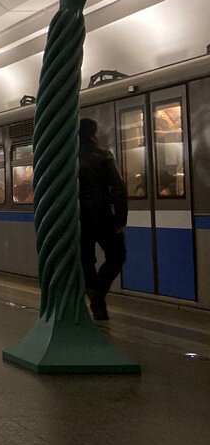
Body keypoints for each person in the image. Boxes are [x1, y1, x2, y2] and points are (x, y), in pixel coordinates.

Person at [78, 118, 129, 321]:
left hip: (80, 218)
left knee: (87, 259)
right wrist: (121, 219)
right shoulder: (104, 156)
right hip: (103, 216)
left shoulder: (69, 158)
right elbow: (120, 189)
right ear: (93, 135)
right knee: (117, 256)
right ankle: (98, 291)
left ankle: (96, 298)